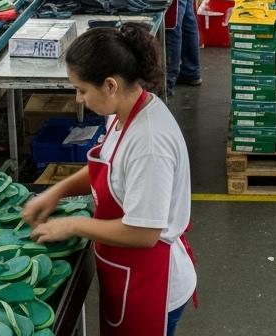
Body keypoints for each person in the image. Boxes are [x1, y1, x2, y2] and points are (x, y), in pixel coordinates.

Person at [23, 24, 196, 335]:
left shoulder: (150, 145)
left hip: (151, 286)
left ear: (110, 85)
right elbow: (109, 164)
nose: (78, 98)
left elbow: (144, 233)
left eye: (82, 90)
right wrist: (56, 192)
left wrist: (72, 224)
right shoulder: (122, 111)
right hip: (125, 273)